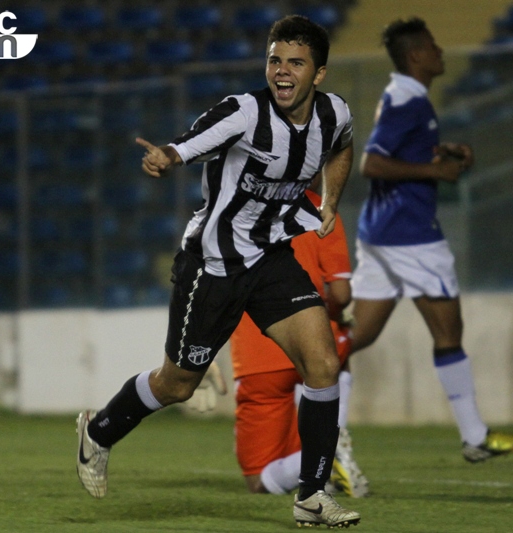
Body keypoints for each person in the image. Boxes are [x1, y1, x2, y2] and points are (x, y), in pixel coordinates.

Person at [75, 15, 361, 529]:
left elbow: (342, 146)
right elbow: (190, 142)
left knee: (322, 364)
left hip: (272, 258)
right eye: (275, 60)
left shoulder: (333, 113)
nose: (282, 71)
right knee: (178, 383)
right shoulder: (245, 112)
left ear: (319, 73)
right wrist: (167, 156)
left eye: (296, 62)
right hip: (213, 265)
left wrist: (331, 202)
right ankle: (99, 432)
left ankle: (312, 496)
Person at [349, 17, 513, 463]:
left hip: (380, 234)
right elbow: (371, 163)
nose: (441, 53)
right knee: (449, 333)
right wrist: (433, 171)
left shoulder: (406, 97)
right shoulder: (407, 102)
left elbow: (395, 154)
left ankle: (308, 413)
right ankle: (475, 437)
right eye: (433, 47)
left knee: (353, 337)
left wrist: (442, 151)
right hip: (411, 238)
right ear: (416, 57)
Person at [228, 186, 369, 498]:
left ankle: (326, 458)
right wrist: (333, 316)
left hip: (260, 355)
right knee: (341, 341)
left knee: (259, 480)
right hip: (314, 346)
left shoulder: (235, 206)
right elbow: (341, 294)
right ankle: (330, 444)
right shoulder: (319, 206)